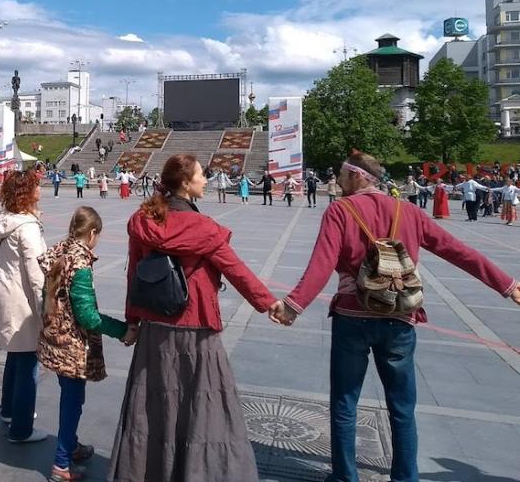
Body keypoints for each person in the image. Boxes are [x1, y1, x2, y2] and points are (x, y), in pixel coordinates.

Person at [271, 151, 520, 482]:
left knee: (345, 403)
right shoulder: (409, 211)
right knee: (402, 408)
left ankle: (345, 477)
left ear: (359, 176)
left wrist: (293, 306)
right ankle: (405, 477)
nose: (339, 178)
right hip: (400, 317)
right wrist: (506, 284)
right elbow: (457, 250)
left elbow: (322, 263)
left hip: (351, 315)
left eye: (343, 173)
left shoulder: (340, 210)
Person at [110, 154, 280, 481]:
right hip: (196, 328)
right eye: (202, 175)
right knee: (206, 408)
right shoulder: (203, 229)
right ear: (186, 184)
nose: (205, 179)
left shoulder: (144, 219)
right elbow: (236, 270)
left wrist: (133, 321)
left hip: (155, 328)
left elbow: (134, 274)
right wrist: (268, 303)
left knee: (153, 407)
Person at [38, 207, 135, 481]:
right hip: (71, 344)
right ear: (92, 233)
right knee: (73, 401)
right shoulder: (80, 264)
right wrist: (122, 331)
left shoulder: (59, 250)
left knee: (67, 394)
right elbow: (88, 316)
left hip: (53, 337)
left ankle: (71, 445)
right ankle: (61, 464)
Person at [0, 168, 48, 442]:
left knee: (15, 354)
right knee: (28, 363)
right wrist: (45, 310)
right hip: (23, 299)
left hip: (4, 292)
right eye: (37, 186)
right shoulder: (27, 228)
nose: (40, 190)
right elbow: (37, 276)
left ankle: (10, 410)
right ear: (28, 193)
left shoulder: (4, 220)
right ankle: (21, 429)